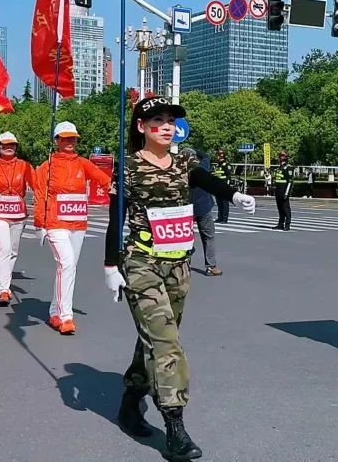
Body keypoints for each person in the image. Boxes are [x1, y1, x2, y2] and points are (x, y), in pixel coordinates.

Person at [104, 96, 256, 461]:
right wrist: (111, 266)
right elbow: (115, 217)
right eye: (158, 120)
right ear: (141, 127)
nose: (167, 126)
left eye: (171, 120)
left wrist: (233, 195)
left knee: (156, 338)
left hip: (178, 263)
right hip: (141, 261)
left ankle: (130, 398)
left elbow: (206, 179)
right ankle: (175, 427)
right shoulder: (128, 167)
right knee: (167, 344)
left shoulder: (184, 159)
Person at [33, 121, 112, 336]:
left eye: (73, 138)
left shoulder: (83, 163)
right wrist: (40, 223)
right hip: (55, 223)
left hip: (78, 223)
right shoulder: (46, 166)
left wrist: (123, 190)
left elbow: (104, 180)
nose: (70, 142)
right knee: (66, 263)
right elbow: (40, 196)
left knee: (69, 268)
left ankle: (54, 310)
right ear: (56, 141)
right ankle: (66, 316)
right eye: (65, 138)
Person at [0, 131, 35, 307]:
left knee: (13, 251)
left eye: (12, 145)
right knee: (4, 249)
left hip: (18, 214)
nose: (8, 148)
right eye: (5, 145)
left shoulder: (24, 166)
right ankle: (4, 290)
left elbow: (37, 184)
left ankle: (4, 281)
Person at [183, 147, 222, 276]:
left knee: (186, 238)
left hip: (186, 209)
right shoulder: (201, 168)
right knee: (208, 237)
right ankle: (211, 267)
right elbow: (206, 157)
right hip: (203, 207)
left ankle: (184, 265)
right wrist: (195, 149)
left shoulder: (178, 172)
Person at [271, 152, 294, 231]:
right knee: (280, 208)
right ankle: (280, 224)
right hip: (278, 190)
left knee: (286, 208)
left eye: (280, 157)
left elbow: (290, 181)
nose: (279, 158)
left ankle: (287, 224)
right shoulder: (278, 168)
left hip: (284, 190)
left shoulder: (288, 168)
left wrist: (287, 193)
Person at [211, 149, 232, 224]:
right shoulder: (217, 165)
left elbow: (228, 176)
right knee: (219, 203)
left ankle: (224, 219)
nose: (217, 157)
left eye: (218, 156)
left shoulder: (226, 165)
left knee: (224, 203)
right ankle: (220, 217)